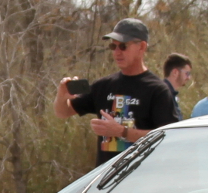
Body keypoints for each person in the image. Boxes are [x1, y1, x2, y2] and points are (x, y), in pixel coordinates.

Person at [55, 18, 180, 166]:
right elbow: (63, 112)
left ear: (141, 47)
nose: (117, 52)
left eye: (123, 46)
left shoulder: (157, 90)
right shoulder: (103, 86)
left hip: (142, 175)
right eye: (113, 46)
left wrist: (122, 132)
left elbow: (169, 137)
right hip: (107, 176)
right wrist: (62, 96)